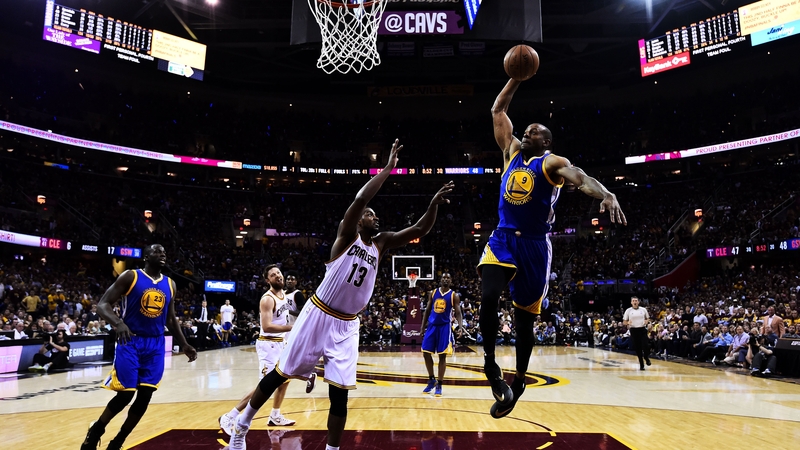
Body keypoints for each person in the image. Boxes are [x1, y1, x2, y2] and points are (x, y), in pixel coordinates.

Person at [227, 139, 453, 450]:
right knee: (282, 373)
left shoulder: (382, 242)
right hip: (319, 314)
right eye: (370, 214)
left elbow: (418, 231)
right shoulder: (346, 236)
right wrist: (388, 169)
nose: (375, 217)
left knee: (340, 394)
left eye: (375, 215)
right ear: (359, 220)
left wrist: (432, 207)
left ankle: (332, 449)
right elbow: (361, 197)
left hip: (347, 325)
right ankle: (241, 424)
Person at [478, 77, 627, 418]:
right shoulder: (510, 153)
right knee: (488, 296)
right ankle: (489, 365)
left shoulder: (551, 163)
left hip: (535, 247)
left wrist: (606, 193)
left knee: (524, 322)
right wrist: (515, 78)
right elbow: (498, 109)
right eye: (526, 130)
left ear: (546, 141)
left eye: (534, 131)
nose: (527, 133)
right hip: (502, 238)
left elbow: (582, 178)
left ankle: (518, 383)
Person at [81, 244, 197, 450]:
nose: (162, 254)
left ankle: (117, 443)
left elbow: (170, 319)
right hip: (131, 341)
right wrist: (118, 323)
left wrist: (184, 343)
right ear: (146, 256)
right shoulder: (130, 276)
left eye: (164, 252)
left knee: (144, 397)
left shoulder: (170, 284)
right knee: (126, 394)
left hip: (155, 344)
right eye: (157, 252)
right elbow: (102, 304)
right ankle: (97, 429)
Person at [219, 265, 298, 435]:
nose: (278, 275)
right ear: (267, 280)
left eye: (278, 272)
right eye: (273, 274)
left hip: (280, 343)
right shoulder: (267, 299)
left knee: (285, 380)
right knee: (266, 386)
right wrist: (292, 327)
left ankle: (275, 415)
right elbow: (267, 326)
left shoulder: (283, 295)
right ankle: (229, 415)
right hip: (268, 344)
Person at [420, 273, 465, 397]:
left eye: (448, 278)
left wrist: (460, 327)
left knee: (442, 356)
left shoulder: (453, 296)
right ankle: (431, 379)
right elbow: (427, 310)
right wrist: (422, 326)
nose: (445, 279)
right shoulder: (433, 293)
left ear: (450, 281)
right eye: (443, 278)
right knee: (425, 352)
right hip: (432, 326)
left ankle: (439, 384)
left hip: (444, 327)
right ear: (440, 280)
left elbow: (458, 313)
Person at [623, 296, 651, 370]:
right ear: (631, 302)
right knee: (638, 348)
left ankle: (646, 357)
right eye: (633, 301)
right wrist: (627, 322)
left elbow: (647, 318)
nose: (635, 302)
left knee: (646, 345)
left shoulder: (643, 309)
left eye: (636, 301)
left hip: (642, 329)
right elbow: (624, 321)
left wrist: (647, 321)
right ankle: (641, 364)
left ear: (638, 302)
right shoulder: (628, 311)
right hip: (634, 330)